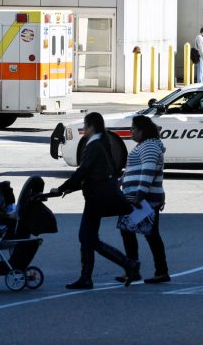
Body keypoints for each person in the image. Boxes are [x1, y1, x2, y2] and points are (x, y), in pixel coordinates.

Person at [50, 112, 140, 290]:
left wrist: (61, 188)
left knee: (87, 237)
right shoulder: (102, 142)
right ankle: (89, 277)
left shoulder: (94, 145)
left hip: (97, 198)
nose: (83, 129)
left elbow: (83, 171)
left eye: (85, 125)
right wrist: (71, 187)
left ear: (91, 127)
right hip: (99, 195)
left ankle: (127, 265)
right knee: (87, 238)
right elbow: (96, 173)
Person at [116, 115, 170, 284]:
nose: (130, 132)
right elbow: (133, 169)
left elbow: (148, 171)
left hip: (143, 199)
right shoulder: (144, 145)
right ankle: (135, 269)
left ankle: (157, 271)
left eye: (133, 129)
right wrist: (120, 182)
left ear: (142, 131)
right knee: (130, 232)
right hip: (136, 198)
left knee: (149, 234)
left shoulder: (150, 146)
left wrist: (139, 196)